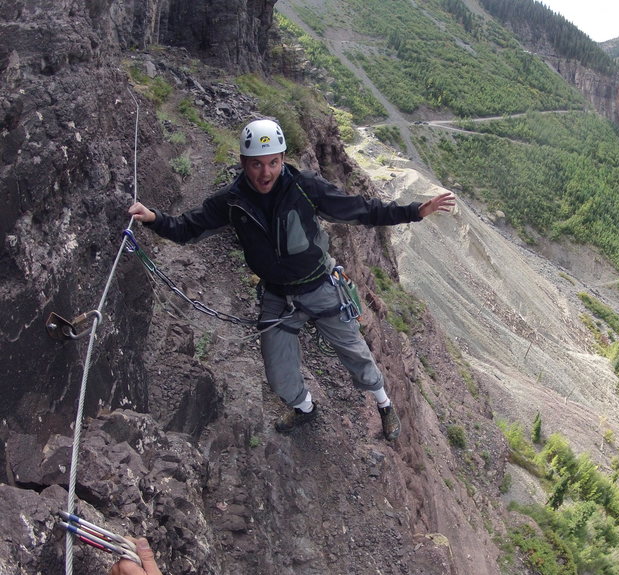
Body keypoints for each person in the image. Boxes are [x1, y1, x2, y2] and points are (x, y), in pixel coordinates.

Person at [129, 118, 454, 441]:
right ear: (243, 163)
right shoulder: (231, 202)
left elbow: (362, 210)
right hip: (278, 295)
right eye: (256, 164)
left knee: (355, 352)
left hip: (320, 285)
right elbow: (189, 227)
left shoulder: (305, 187)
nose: (265, 172)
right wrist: (154, 219)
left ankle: (384, 404)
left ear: (283, 159)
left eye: (273, 162)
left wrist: (414, 211)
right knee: (278, 373)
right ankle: (305, 408)